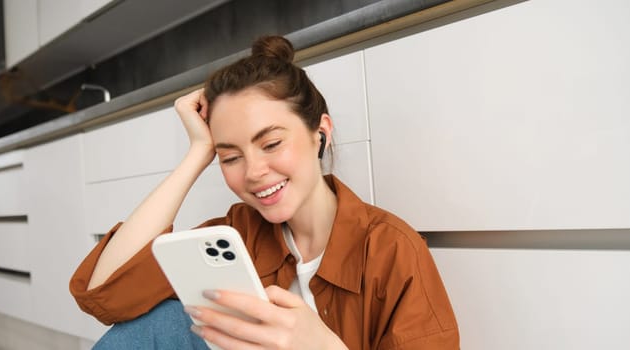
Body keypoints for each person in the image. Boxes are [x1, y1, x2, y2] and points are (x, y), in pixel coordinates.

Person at [70, 35, 459, 349]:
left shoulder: (391, 250)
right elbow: (107, 294)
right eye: (231, 157)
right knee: (163, 321)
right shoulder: (237, 235)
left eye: (271, 144)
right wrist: (197, 153)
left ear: (319, 133)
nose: (254, 172)